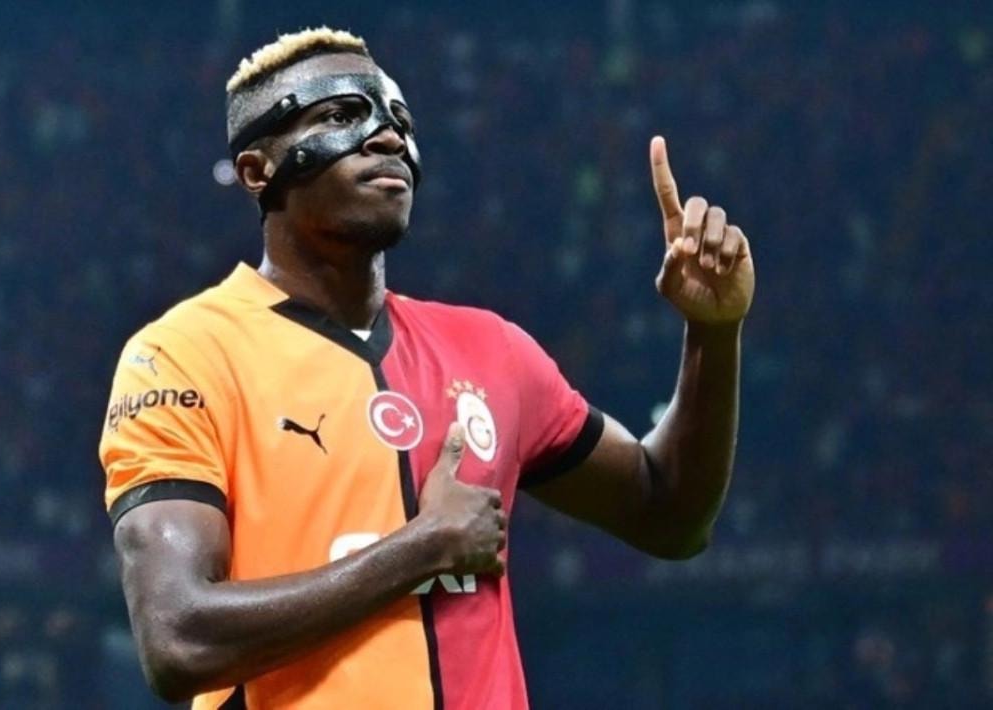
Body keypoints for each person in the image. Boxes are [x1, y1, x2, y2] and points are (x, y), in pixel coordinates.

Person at [98, 27, 755, 710]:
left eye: (399, 121)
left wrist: (713, 331)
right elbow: (178, 640)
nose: (387, 138)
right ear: (258, 170)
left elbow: (670, 515)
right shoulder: (183, 356)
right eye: (341, 115)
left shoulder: (492, 350)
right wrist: (422, 547)